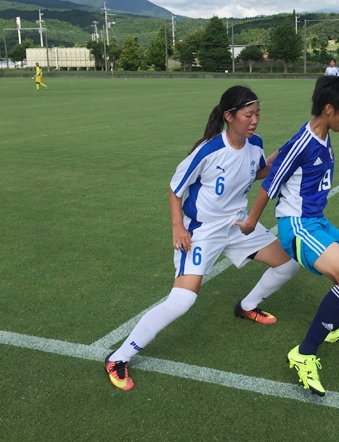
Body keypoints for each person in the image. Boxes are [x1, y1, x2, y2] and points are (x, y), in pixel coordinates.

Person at [104, 86, 300, 391]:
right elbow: (175, 189)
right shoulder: (208, 151)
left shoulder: (255, 144)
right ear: (229, 116)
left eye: (257, 114)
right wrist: (177, 227)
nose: (254, 121)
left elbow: (256, 170)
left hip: (237, 226)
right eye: (248, 115)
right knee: (182, 300)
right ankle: (118, 357)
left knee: (287, 264)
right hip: (201, 232)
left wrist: (277, 157)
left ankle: (246, 306)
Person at [236, 76, 339, 397]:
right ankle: (304, 354)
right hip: (296, 226)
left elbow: (286, 165)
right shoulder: (305, 142)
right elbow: (270, 185)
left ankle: (334, 328)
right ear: (328, 108)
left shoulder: (320, 135)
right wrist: (251, 222)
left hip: (317, 221)